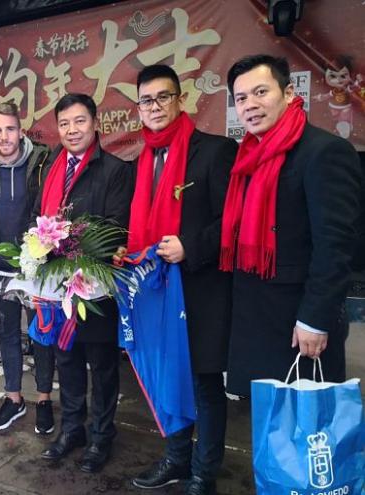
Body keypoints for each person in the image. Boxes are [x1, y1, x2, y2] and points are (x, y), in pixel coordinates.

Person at [122, 66, 237, 495]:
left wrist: (190, 245)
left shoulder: (215, 151)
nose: (154, 107)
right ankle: (175, 460)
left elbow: (232, 220)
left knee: (205, 384)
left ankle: (204, 474)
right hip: (155, 291)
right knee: (164, 377)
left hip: (200, 288)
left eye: (162, 98)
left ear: (180, 99)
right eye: (146, 100)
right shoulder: (141, 160)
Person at [221, 55, 361, 395]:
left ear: (287, 94)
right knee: (270, 425)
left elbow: (336, 245)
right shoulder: (249, 157)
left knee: (306, 432)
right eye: (241, 98)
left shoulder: (324, 152)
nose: (250, 105)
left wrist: (315, 318)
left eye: (260, 92)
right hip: (256, 316)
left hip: (299, 321)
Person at [34, 93, 133, 473]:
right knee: (66, 359)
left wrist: (75, 244)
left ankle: (101, 436)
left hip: (96, 288)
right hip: (58, 288)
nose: (72, 130)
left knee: (102, 365)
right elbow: (39, 220)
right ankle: (72, 428)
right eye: (64, 124)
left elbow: (116, 228)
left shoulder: (115, 170)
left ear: (95, 124)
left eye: (79, 121)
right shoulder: (49, 168)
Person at [0, 102, 57, 434]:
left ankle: (45, 398)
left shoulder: (43, 163)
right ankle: (14, 398)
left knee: (42, 336)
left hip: (36, 270)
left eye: (10, 129)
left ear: (21, 130)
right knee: (7, 334)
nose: (4, 137)